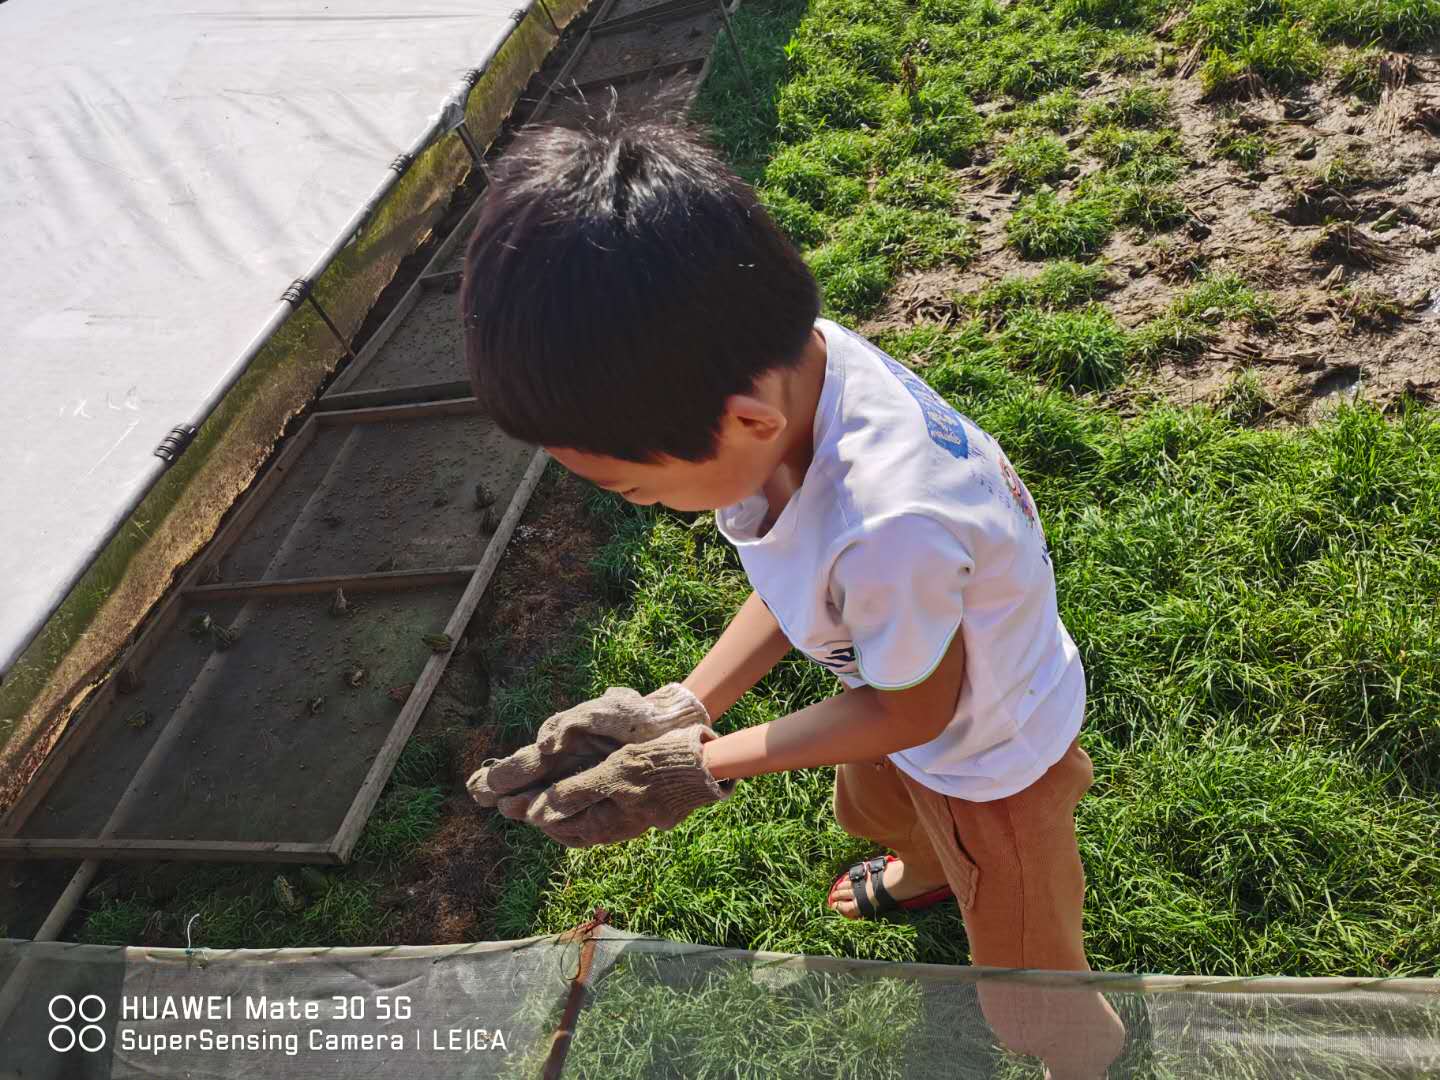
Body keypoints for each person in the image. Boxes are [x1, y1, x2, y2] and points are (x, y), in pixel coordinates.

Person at [461, 101, 1126, 1078]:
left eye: (635, 488)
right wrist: (682, 707)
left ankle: (1082, 1056)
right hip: (896, 687)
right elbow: (798, 580)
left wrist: (693, 766)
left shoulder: (888, 529)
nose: (641, 506)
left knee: (1029, 996)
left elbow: (917, 710)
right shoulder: (796, 372)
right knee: (876, 812)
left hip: (988, 757)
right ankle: (927, 870)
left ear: (744, 422)